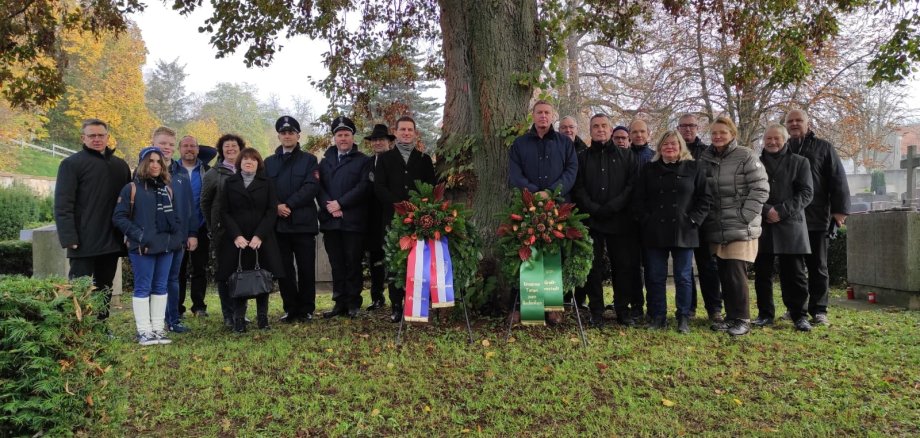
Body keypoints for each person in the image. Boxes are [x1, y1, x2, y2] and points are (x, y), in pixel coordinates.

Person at [633, 130, 711, 333]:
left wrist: (694, 219)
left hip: (684, 230)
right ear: (659, 148)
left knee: (683, 277)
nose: (669, 147)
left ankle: (683, 316)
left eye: (674, 144)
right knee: (655, 276)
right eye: (665, 144)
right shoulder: (649, 170)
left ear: (680, 147)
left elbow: (705, 199)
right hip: (655, 230)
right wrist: (646, 220)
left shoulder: (694, 167)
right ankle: (658, 316)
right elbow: (638, 200)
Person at [54, 118, 131, 321]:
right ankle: (78, 326)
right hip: (83, 240)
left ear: (107, 137)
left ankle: (101, 325)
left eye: (101, 135)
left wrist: (127, 234)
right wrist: (69, 237)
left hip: (112, 240)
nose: (97, 139)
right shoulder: (71, 164)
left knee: (105, 287)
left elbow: (130, 204)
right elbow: (63, 204)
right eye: (92, 135)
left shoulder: (120, 166)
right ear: (83, 138)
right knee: (79, 287)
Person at [699, 116, 769, 336]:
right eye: (714, 133)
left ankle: (742, 319)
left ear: (732, 134)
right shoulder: (706, 157)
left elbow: (760, 188)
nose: (718, 137)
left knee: (736, 271)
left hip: (739, 225)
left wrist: (744, 216)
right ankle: (731, 317)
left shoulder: (745, 155)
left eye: (723, 132)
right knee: (724, 272)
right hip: (717, 226)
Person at [784, 109, 851, 325]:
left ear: (807, 123)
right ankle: (795, 308)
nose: (794, 124)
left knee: (818, 266)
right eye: (790, 121)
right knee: (793, 268)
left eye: (798, 120)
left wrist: (840, 211)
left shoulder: (823, 147)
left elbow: (838, 179)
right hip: (791, 218)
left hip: (817, 216)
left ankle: (819, 309)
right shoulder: (783, 148)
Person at [573, 113, 640, 328]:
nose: (600, 129)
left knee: (623, 267)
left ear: (611, 130)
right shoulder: (582, 157)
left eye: (604, 126)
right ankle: (596, 311)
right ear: (590, 131)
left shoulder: (627, 156)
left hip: (619, 221)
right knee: (593, 268)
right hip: (592, 221)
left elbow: (631, 186)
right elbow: (578, 187)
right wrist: (593, 208)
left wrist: (613, 207)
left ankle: (622, 310)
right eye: (595, 126)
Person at [112, 147, 183, 345]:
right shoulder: (132, 188)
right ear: (143, 163)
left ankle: (158, 329)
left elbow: (175, 216)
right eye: (151, 161)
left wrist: (176, 237)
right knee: (143, 288)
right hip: (143, 247)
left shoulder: (167, 188)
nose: (155, 165)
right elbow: (119, 217)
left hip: (166, 246)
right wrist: (140, 235)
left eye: (159, 161)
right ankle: (144, 331)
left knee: (161, 287)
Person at [374, 116, 437, 323]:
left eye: (410, 129)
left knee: (418, 261)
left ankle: (418, 302)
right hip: (393, 218)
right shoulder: (384, 159)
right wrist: (399, 206)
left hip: (418, 220)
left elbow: (431, 188)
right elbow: (379, 188)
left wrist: (418, 209)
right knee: (394, 262)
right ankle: (396, 305)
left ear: (415, 133)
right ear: (396, 132)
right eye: (402, 129)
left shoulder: (424, 159)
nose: (406, 133)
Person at [754, 124, 815, 332]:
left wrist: (780, 211)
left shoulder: (800, 163)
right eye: (768, 138)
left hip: (791, 225)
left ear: (785, 139)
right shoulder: (755, 163)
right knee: (762, 273)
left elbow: (806, 193)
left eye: (776, 138)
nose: (772, 142)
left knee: (795, 274)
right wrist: (766, 210)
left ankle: (799, 315)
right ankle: (765, 314)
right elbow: (747, 192)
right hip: (763, 225)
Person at [216, 148, 284, 332]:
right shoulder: (230, 183)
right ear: (239, 162)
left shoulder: (267, 183)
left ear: (258, 163)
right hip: (237, 240)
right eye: (245, 158)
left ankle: (263, 318)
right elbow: (224, 211)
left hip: (261, 239)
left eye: (253, 159)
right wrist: (236, 235)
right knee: (239, 278)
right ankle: (239, 319)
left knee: (262, 276)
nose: (249, 162)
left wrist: (259, 235)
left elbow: (271, 211)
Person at [265, 116, 320, 323]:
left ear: (298, 135)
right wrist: (276, 206)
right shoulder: (269, 162)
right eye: (283, 133)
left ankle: (306, 309)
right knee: (284, 270)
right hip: (279, 225)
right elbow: (265, 189)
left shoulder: (309, 160)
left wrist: (288, 205)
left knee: (306, 269)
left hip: (303, 223)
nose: (287, 136)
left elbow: (311, 187)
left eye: (291, 133)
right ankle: (290, 308)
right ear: (279, 136)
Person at [319, 116, 372, 319]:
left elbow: (363, 188)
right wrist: (330, 206)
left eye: (346, 135)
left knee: (352, 263)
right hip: (331, 221)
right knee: (337, 263)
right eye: (339, 135)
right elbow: (319, 187)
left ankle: (353, 303)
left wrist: (341, 203)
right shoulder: (325, 162)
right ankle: (339, 302)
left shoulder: (363, 161)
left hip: (353, 221)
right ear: (334, 138)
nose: (343, 138)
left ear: (352, 137)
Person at [151, 127, 198, 334]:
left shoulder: (181, 173)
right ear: (154, 144)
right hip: (154, 237)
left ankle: (173, 319)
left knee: (173, 278)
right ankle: (154, 321)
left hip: (178, 237)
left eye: (170, 144)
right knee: (155, 280)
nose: (167, 148)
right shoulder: (145, 172)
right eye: (162, 144)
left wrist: (192, 233)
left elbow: (190, 207)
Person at [677, 113, 723, 322]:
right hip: (682, 220)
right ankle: (690, 307)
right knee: (685, 268)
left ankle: (714, 308)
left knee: (708, 266)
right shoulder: (674, 152)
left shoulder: (707, 153)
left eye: (691, 126)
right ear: (678, 128)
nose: (688, 129)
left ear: (698, 128)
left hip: (704, 219)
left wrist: (699, 215)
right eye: (684, 126)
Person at [201, 134, 244, 327]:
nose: (231, 149)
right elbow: (205, 202)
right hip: (223, 231)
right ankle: (228, 314)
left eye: (234, 146)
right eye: (227, 146)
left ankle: (240, 312)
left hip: (245, 230)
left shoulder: (248, 169)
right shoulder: (213, 174)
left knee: (242, 271)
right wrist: (212, 225)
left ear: (240, 148)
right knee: (225, 272)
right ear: (221, 149)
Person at [176, 135, 216, 318]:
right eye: (186, 146)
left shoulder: (207, 171)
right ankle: (177, 307)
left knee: (199, 268)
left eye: (193, 146)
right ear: (180, 149)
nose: (189, 149)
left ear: (198, 150)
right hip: (176, 228)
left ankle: (199, 306)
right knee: (178, 269)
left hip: (200, 227)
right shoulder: (170, 169)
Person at [509, 100, 578, 200]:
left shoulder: (565, 143)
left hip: (559, 204)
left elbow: (571, 171)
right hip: (528, 204)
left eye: (547, 112)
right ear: (533, 116)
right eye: (539, 112)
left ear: (552, 116)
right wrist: (533, 192)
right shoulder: (519, 143)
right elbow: (515, 173)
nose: (543, 115)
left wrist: (551, 192)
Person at [364, 123, 396, 311]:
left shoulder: (395, 162)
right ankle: (377, 297)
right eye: (374, 140)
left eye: (381, 140)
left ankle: (396, 299)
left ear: (389, 142)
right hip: (371, 219)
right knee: (374, 260)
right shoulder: (366, 163)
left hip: (392, 216)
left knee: (392, 259)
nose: (377, 143)